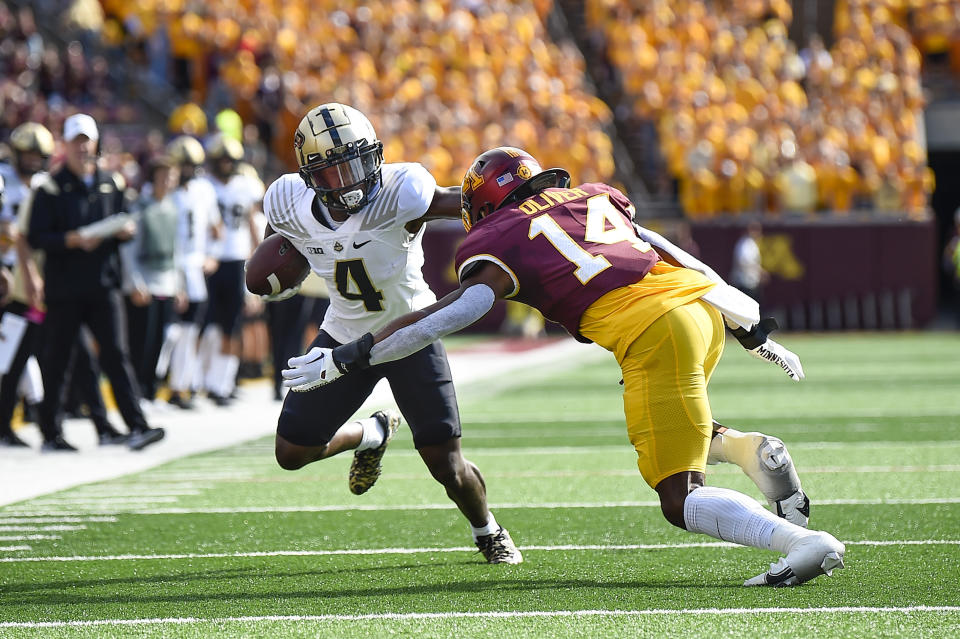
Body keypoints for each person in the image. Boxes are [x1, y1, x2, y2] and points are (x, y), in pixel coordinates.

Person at [287, 146, 845, 585]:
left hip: (653, 330)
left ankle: (800, 543)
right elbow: (667, 248)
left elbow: (456, 312)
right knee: (677, 421)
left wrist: (348, 356)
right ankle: (751, 452)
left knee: (680, 497)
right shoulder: (591, 197)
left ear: (483, 203)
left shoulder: (496, 237)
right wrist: (748, 325)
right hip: (699, 310)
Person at [261, 103, 521, 564]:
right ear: (308, 178)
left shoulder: (402, 192)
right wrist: (282, 271)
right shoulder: (287, 203)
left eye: (354, 164)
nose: (347, 181)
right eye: (331, 172)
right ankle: (371, 434)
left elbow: (461, 204)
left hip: (410, 334)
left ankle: (489, 531)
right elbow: (279, 239)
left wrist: (514, 213)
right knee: (292, 450)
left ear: (374, 156)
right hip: (342, 336)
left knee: (446, 463)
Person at [26, 113, 165, 451]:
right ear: (66, 146)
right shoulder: (49, 187)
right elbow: (36, 237)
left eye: (87, 141)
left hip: (104, 284)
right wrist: (71, 240)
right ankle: (51, 432)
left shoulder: (112, 182)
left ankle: (137, 424)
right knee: (58, 359)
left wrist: (124, 232)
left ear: (96, 143)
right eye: (76, 142)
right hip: (65, 287)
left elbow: (124, 223)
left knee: (116, 355)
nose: (83, 148)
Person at [0, 122, 128, 449]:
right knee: (15, 357)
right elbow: (24, 239)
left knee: (74, 356)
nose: (30, 161)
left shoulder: (48, 185)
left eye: (36, 154)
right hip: (16, 282)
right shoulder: (14, 182)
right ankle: (13, 423)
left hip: (44, 280)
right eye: (25, 154)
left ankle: (99, 423)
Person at [158, 135, 221, 409]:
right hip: (169, 267)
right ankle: (162, 383)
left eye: (189, 165)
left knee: (189, 330)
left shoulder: (204, 190)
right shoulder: (166, 190)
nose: (185, 171)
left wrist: (212, 256)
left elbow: (217, 229)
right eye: (181, 165)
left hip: (194, 267)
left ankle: (181, 386)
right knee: (169, 331)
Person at [201, 133, 263, 405]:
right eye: (221, 159)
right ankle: (200, 381)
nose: (226, 164)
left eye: (230, 160)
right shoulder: (204, 185)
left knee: (232, 326)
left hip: (237, 259)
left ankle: (223, 383)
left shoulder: (245, 185)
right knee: (208, 325)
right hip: (210, 260)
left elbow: (251, 221)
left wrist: (257, 257)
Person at [121, 156, 184, 407]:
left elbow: (176, 249)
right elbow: (129, 250)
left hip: (166, 283)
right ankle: (136, 392)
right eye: (163, 176)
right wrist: (135, 282)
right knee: (141, 341)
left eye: (171, 177)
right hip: (144, 284)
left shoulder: (172, 208)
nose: (167, 181)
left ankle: (149, 391)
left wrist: (179, 285)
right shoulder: (140, 207)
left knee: (159, 340)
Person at [730, 221, 767, 306]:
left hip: (750, 283)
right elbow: (745, 262)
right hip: (745, 283)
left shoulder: (750, 243)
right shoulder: (745, 244)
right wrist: (760, 272)